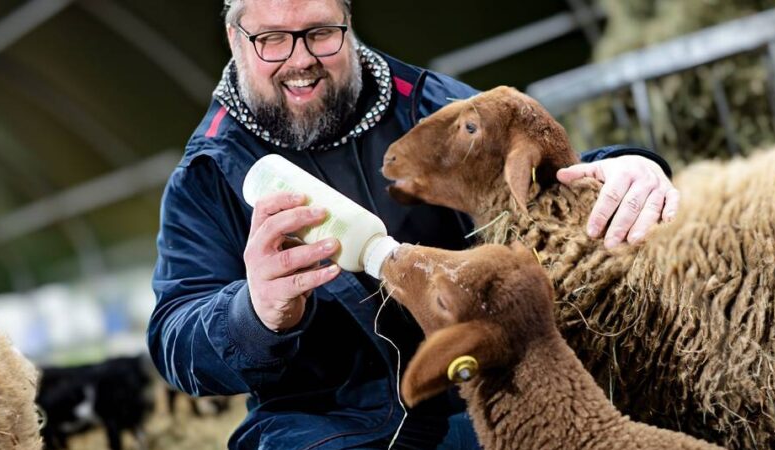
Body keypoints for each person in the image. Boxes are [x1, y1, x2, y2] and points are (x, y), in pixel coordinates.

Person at [147, 0, 679, 448]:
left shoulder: (424, 102)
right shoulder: (208, 174)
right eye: (272, 40)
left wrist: (626, 165)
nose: (301, 59)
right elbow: (175, 334)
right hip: (329, 426)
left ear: (348, 21)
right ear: (235, 38)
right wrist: (254, 314)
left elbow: (538, 177)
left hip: (481, 390)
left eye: (321, 32)